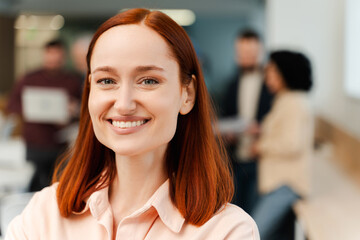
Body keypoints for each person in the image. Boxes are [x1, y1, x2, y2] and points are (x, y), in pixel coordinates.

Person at [5, 8, 259, 239]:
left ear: (187, 94)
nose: (124, 104)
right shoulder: (44, 214)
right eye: (106, 81)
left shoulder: (226, 230)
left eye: (148, 80)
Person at [251, 50, 314, 240]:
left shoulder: (293, 102)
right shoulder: (285, 99)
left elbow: (290, 143)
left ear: (285, 73)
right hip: (279, 182)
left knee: (253, 233)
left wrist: (260, 146)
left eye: (271, 71)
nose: (267, 77)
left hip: (285, 184)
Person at [6, 39, 82, 191]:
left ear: (63, 56)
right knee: (35, 183)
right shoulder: (30, 78)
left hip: (60, 143)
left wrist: (73, 111)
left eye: (57, 55)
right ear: (44, 55)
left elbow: (84, 109)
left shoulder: (73, 81)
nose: (53, 59)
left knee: (57, 184)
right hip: (35, 141)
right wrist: (32, 110)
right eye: (50, 54)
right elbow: (12, 105)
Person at [220, 29, 273, 212]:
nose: (247, 58)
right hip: (235, 159)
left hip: (263, 159)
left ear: (261, 52)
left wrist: (262, 130)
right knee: (234, 210)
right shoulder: (230, 84)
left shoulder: (273, 86)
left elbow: (278, 121)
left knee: (256, 213)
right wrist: (227, 134)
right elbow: (225, 117)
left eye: (251, 53)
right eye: (243, 53)